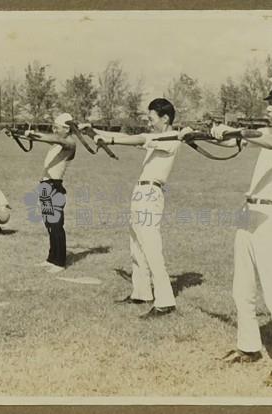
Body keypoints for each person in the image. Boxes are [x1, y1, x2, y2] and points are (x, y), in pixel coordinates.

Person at [189, 77, 272, 386]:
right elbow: (235, 141)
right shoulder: (265, 133)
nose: (269, 107)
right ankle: (248, 347)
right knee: (241, 287)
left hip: (269, 214)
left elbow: (270, 142)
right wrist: (205, 134)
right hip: (248, 212)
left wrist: (235, 132)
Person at [93, 98, 181, 319]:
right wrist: (93, 130)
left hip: (151, 194)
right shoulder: (160, 136)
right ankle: (142, 292)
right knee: (136, 245)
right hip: (141, 192)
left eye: (152, 119)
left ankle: (165, 301)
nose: (149, 123)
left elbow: (140, 138)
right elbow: (132, 137)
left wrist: (110, 139)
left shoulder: (171, 139)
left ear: (165, 118)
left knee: (151, 247)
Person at [25, 113, 77, 274]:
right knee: (49, 224)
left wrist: (33, 134)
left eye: (57, 127)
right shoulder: (57, 144)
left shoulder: (69, 142)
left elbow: (55, 139)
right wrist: (18, 133)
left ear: (67, 129)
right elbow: (50, 139)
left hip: (54, 186)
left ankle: (60, 262)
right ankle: (51, 258)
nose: (54, 129)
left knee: (56, 225)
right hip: (46, 185)